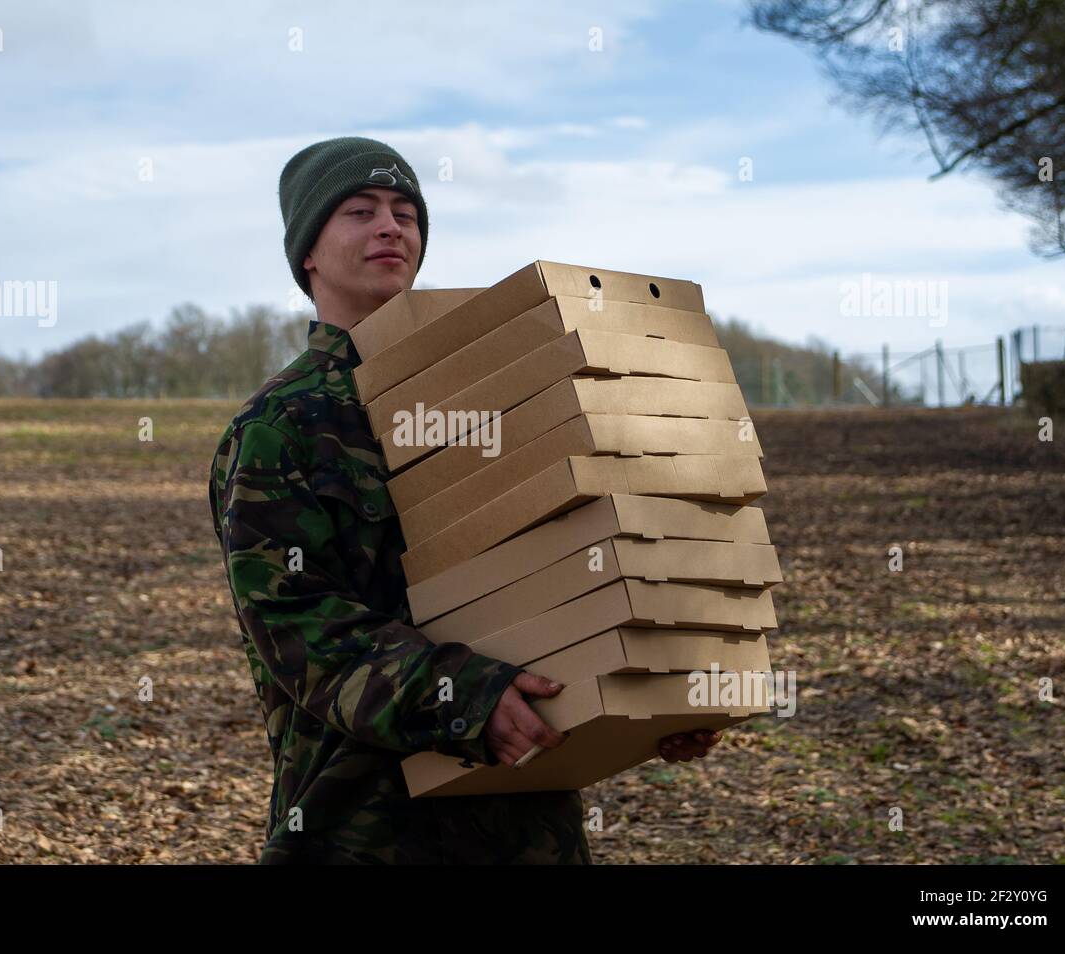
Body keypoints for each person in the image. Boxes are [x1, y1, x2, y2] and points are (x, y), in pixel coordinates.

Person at [208, 136, 721, 865]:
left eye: (406, 212)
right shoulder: (280, 426)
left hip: (528, 823)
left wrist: (650, 688)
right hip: (363, 829)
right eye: (360, 210)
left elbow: (563, 567)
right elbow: (299, 625)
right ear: (308, 256)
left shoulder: (493, 395)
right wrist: (466, 697)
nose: (391, 226)